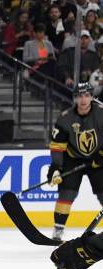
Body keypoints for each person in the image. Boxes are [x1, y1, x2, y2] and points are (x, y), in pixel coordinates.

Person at [47, 82, 103, 241]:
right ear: (75, 98)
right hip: (73, 159)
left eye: (87, 95)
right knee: (66, 193)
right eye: (80, 96)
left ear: (92, 97)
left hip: (98, 159)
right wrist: (56, 167)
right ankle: (58, 230)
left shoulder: (101, 114)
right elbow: (57, 146)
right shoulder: (65, 118)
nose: (83, 99)